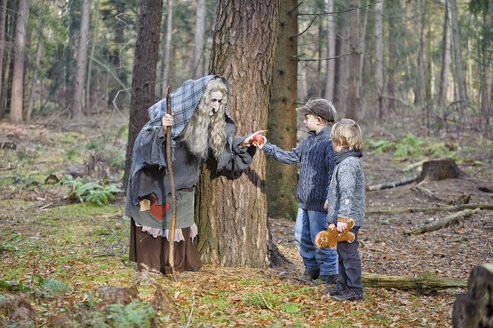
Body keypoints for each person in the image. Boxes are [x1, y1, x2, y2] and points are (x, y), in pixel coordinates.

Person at [125, 75, 260, 275]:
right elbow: (145, 142)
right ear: (200, 98)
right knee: (154, 221)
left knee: (180, 224)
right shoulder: (173, 114)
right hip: (155, 182)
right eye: (212, 100)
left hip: (184, 183)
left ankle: (177, 262)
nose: (216, 106)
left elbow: (221, 144)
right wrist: (163, 130)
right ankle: (152, 263)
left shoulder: (207, 122)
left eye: (219, 101)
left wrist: (243, 143)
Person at [255, 98, 338, 285]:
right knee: (301, 237)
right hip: (304, 201)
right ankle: (311, 269)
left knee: (322, 238)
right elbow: (291, 157)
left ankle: (330, 273)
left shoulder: (329, 142)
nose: (303, 121)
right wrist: (266, 146)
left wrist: (330, 198)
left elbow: (334, 172)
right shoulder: (308, 141)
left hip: (320, 203)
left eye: (306, 117)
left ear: (319, 119)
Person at [323, 118, 365, 301]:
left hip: (348, 220)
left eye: (333, 141)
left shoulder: (348, 163)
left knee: (349, 254)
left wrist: (343, 218)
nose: (332, 144)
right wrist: (329, 201)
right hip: (342, 217)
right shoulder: (344, 161)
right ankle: (343, 284)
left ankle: (355, 289)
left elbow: (348, 193)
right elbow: (338, 189)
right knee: (341, 254)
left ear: (340, 142)